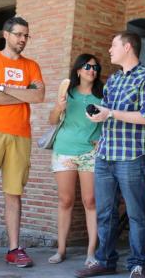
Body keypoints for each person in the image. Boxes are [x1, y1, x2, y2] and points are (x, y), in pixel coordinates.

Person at [75, 31, 145, 278]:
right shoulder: (112, 80)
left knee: (135, 213)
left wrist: (110, 113)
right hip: (105, 153)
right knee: (104, 212)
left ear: (128, 47)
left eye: (113, 45)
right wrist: (98, 114)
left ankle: (138, 263)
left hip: (132, 155)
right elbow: (108, 112)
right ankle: (105, 259)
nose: (109, 49)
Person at [0, 16, 44, 268]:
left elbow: (38, 95)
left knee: (14, 192)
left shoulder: (32, 65)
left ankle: (14, 249)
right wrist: (20, 92)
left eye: (26, 35)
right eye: (18, 34)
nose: (23, 40)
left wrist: (2, 88)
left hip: (20, 133)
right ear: (6, 35)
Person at [48, 54, 103, 265]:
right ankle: (60, 250)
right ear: (79, 70)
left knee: (90, 201)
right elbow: (52, 121)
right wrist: (58, 107)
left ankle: (91, 252)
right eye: (88, 66)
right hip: (65, 150)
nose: (92, 70)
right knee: (65, 200)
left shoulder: (102, 95)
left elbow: (108, 121)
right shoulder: (67, 93)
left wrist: (101, 139)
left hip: (90, 153)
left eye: (95, 67)